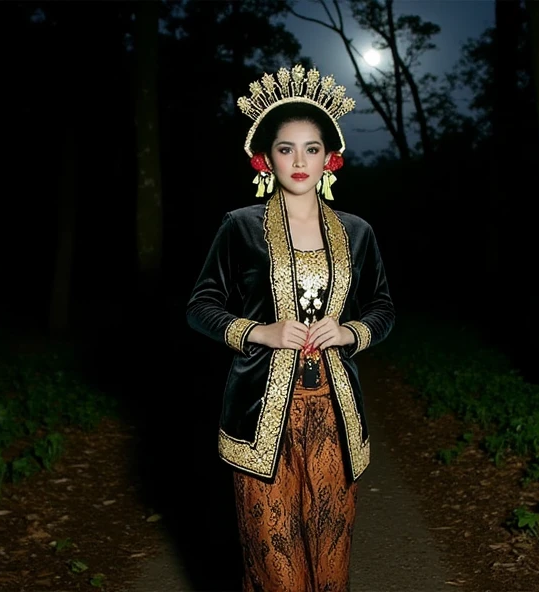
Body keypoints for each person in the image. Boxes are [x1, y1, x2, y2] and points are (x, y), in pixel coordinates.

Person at [186, 64, 395, 592]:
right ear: (265, 157)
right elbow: (200, 305)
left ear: (330, 158)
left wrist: (351, 333)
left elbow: (383, 308)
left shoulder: (358, 231)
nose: (298, 161)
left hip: (334, 414)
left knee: (330, 561)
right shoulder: (239, 227)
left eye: (311, 148)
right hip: (260, 417)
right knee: (276, 565)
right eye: (286, 148)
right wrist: (259, 331)